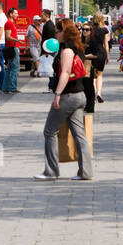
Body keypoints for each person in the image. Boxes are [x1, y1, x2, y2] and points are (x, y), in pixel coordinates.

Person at [34, 21, 94, 181]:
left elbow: (66, 72)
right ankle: (86, 172)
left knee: (49, 131)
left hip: (68, 96)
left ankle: (51, 171)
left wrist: (58, 94)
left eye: (57, 32)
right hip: (80, 95)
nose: (55, 35)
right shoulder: (78, 47)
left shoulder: (67, 49)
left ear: (64, 32)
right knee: (79, 135)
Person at [87, 12, 109, 103]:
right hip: (101, 53)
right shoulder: (104, 30)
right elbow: (106, 44)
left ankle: (93, 93)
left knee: (92, 75)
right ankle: (99, 93)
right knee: (99, 74)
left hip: (92, 53)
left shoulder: (90, 29)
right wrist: (107, 56)